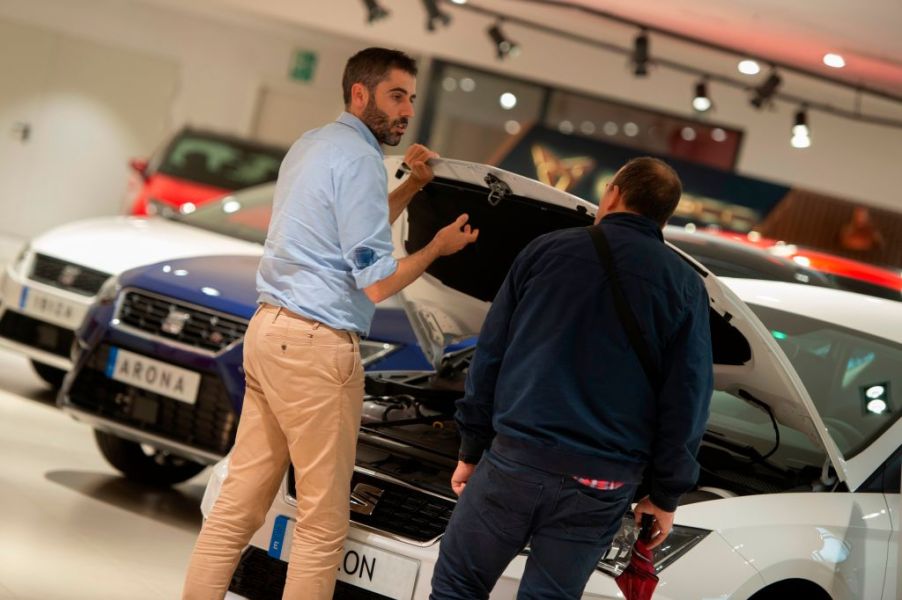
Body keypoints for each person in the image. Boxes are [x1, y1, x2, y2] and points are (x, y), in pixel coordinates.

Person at [182, 47, 478, 600]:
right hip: (317, 348)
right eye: (395, 96)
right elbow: (378, 282)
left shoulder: (312, 144)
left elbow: (349, 242)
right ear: (360, 94)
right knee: (322, 524)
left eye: (411, 99)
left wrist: (412, 185)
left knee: (236, 507)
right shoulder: (361, 159)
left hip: (269, 333)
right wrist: (439, 246)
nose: (405, 111)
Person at [430, 157, 713, 599]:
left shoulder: (546, 251)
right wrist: (666, 494)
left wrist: (471, 447)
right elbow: (688, 398)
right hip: (602, 483)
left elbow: (490, 355)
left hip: (516, 463)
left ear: (613, 194)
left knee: (458, 588)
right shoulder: (686, 287)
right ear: (665, 215)